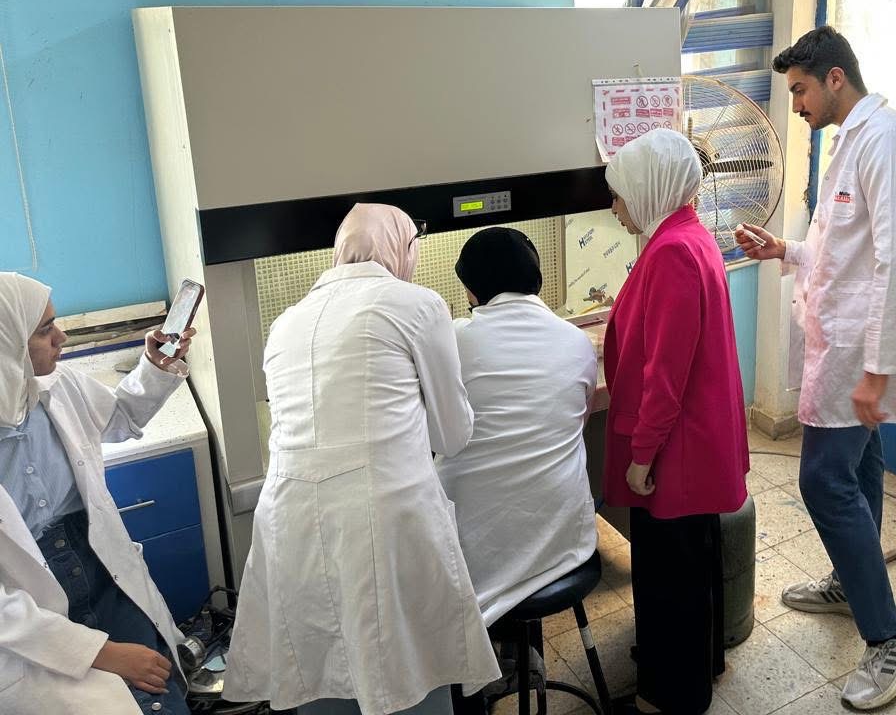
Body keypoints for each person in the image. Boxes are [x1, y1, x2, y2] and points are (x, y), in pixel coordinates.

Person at [222, 204, 500, 715]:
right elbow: (453, 434)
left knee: (321, 672)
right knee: (408, 673)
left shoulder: (285, 323)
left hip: (289, 521)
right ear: (403, 248)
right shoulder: (418, 305)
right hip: (383, 518)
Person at [735, 25, 896, 710]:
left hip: (857, 351)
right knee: (860, 468)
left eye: (799, 90)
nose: (795, 105)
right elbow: (840, 248)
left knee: (823, 481)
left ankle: (891, 640)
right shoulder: (851, 139)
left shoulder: (888, 141)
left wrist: (878, 368)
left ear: (834, 78)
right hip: (842, 343)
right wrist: (785, 251)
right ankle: (853, 586)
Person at [0, 271, 196, 715]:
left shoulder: (57, 385)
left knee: (162, 697)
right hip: (27, 616)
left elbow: (119, 417)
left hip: (99, 568)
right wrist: (102, 654)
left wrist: (155, 367)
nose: (62, 337)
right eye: (45, 330)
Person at [603, 128, 750, 715]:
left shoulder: (670, 254)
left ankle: (671, 697)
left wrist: (642, 455)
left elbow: (666, 372)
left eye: (620, 194)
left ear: (648, 187)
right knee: (695, 561)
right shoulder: (690, 235)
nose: (616, 207)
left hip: (677, 450)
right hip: (698, 437)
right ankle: (702, 666)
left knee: (669, 574)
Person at [438, 227, 599, 711]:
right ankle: (517, 657)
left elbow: (435, 433)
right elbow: (581, 416)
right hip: (565, 541)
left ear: (472, 289)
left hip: (475, 553)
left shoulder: (452, 341)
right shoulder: (576, 342)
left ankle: (487, 672)